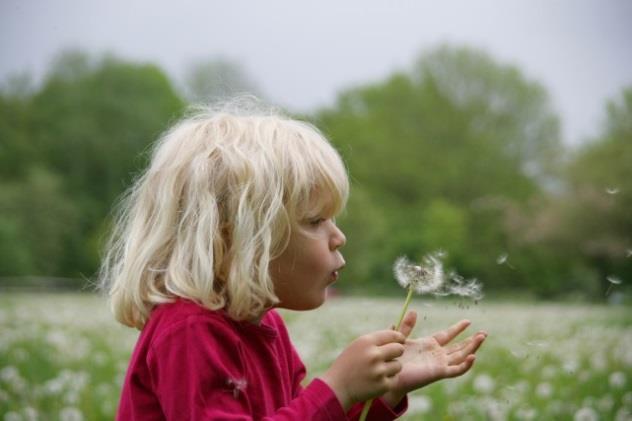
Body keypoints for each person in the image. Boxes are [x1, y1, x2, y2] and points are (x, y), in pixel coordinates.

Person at [99, 98, 487, 420]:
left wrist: (380, 393)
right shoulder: (190, 331)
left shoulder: (264, 325)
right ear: (238, 238)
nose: (339, 237)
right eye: (316, 221)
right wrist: (338, 387)